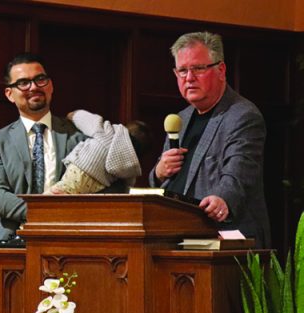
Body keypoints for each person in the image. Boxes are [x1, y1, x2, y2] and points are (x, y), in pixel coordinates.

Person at [149, 31, 270, 248]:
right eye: (182, 71)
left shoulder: (242, 115)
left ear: (221, 70)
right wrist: (159, 172)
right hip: (177, 237)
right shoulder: (181, 119)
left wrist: (222, 199)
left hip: (227, 239)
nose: (189, 78)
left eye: (197, 69)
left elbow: (238, 173)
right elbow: (165, 180)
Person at [0, 53, 91, 243]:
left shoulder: (78, 135)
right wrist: (45, 214)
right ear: (9, 94)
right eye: (23, 83)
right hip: (14, 242)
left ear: (51, 85)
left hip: (71, 238)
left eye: (40, 79)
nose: (34, 87)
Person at [50, 109, 151, 194]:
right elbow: (127, 186)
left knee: (50, 197)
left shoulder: (109, 134)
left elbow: (89, 121)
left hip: (81, 170)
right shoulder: (131, 167)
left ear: (124, 130)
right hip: (96, 185)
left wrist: (73, 115)